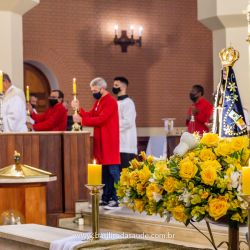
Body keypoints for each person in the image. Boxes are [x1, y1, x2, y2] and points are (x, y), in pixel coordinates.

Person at [72, 77, 120, 208]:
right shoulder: (99, 102)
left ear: (103, 89)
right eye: (92, 90)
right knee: (104, 171)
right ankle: (106, 198)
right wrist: (79, 109)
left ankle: (118, 198)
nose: (93, 93)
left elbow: (101, 119)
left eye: (95, 90)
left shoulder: (111, 102)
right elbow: (91, 115)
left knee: (113, 171)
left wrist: (81, 121)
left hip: (109, 140)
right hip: (100, 140)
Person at [112, 77, 137, 172]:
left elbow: (128, 122)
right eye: (113, 85)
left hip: (126, 145)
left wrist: (111, 126)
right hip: (117, 145)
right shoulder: (116, 103)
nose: (113, 87)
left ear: (123, 87)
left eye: (116, 85)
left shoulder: (128, 103)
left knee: (126, 176)